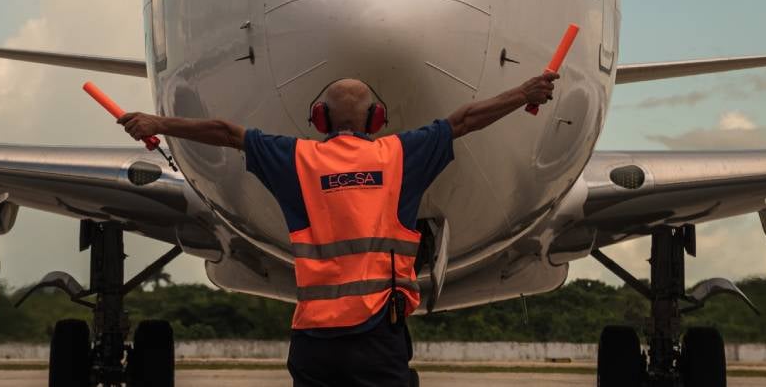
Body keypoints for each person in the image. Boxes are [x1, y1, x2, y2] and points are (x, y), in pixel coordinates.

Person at [116, 72, 559, 386]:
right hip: (377, 337)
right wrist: (523, 93)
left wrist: (157, 124)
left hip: (314, 336)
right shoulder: (399, 155)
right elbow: (464, 121)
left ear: (320, 119)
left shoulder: (296, 159)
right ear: (378, 118)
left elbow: (226, 133)